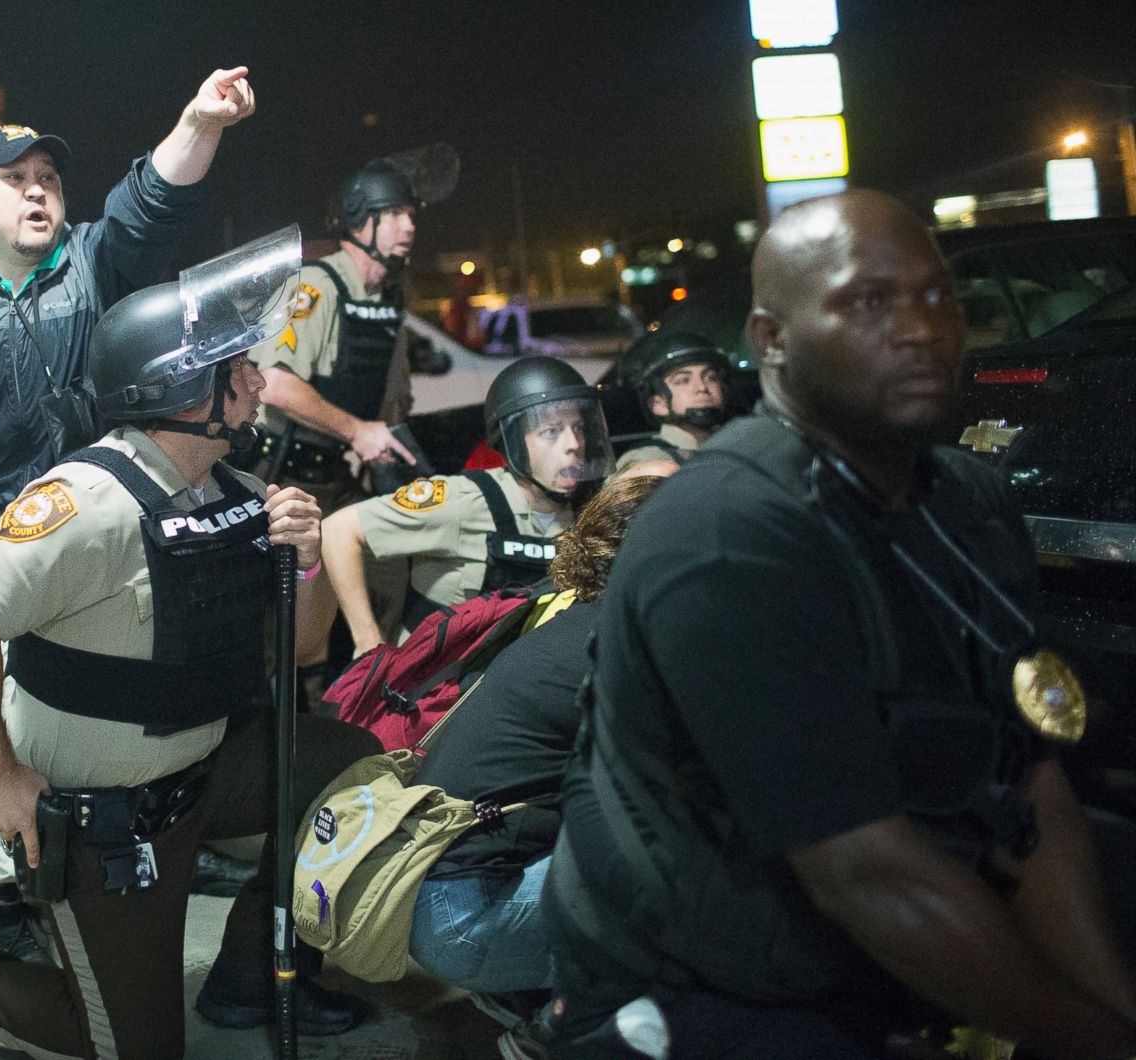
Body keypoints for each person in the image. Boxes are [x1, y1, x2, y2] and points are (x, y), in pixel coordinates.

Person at [542, 190, 1136, 1058]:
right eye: (868, 301)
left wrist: (1112, 1013)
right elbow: (867, 877)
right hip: (706, 983)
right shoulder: (727, 531)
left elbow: (1029, 790)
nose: (920, 327)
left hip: (888, 915)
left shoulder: (967, 500)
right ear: (770, 340)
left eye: (939, 297)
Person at [0, 234, 381, 1058]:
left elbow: (301, 650)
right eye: (238, 369)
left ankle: (252, 970)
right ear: (183, 388)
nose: (261, 381)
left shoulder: (239, 492)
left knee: (352, 762)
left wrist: (307, 558)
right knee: (135, 1049)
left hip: (204, 772)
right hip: (106, 820)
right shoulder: (89, 501)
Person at [0, 66, 257, 946]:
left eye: (49, 180)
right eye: (16, 180)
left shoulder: (91, 260)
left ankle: (136, 857)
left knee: (101, 722)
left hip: (100, 553)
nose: (38, 193)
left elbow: (149, 202)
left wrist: (200, 120)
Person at [404, 470, 668, 1058]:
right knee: (697, 885)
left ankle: (541, 999)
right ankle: (562, 1030)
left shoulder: (576, 622)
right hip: (464, 918)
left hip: (441, 895)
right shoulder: (620, 647)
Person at [322, 356, 614, 653]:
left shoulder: (589, 508)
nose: (574, 443)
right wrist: (367, 640)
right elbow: (338, 530)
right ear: (513, 440)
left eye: (578, 427)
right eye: (551, 431)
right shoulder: (464, 500)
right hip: (441, 690)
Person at [247, 157, 423, 515]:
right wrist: (358, 432)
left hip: (335, 471)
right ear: (357, 223)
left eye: (410, 214)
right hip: (280, 474)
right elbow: (274, 384)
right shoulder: (315, 286)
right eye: (391, 214)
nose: (408, 226)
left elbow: (391, 406)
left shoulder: (386, 301)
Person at [611, 332, 733, 476]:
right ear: (658, 404)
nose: (702, 387)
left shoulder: (736, 447)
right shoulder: (647, 462)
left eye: (711, 377)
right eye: (683, 380)